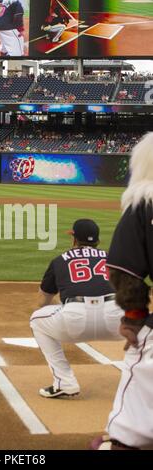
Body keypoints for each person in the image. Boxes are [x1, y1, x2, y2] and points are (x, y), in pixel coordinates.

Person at [91, 133, 153, 451]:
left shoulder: (144, 201)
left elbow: (124, 271)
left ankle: (122, 441)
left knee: (137, 375)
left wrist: (133, 319)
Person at [30, 219, 123, 398]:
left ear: (74, 238)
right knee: (145, 328)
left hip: (75, 320)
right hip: (116, 321)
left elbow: (43, 300)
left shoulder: (59, 260)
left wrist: (65, 306)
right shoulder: (113, 258)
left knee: (36, 319)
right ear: (98, 240)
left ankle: (64, 382)